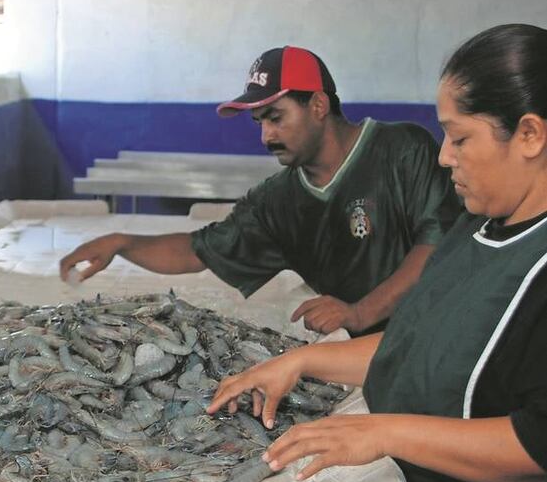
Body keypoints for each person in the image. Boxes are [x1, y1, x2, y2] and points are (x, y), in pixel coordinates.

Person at [208, 24, 547, 482]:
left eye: (460, 137)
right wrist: (304, 362)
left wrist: (383, 432)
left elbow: (536, 446)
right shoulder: (476, 228)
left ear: (529, 134)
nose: (444, 157)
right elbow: (421, 345)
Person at [60, 46, 463, 336]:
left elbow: (437, 245)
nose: (266, 136)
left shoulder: (401, 149)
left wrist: (359, 313)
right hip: (361, 359)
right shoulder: (276, 201)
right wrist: (123, 242)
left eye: (276, 118)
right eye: (259, 123)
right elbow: (197, 251)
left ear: (318, 105)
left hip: (438, 339)